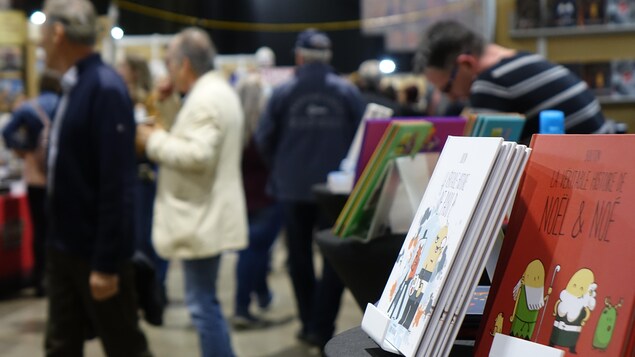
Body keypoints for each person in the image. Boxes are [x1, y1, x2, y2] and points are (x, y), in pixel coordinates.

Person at [40, 0, 151, 356]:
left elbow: (117, 183)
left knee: (124, 346)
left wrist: (105, 263)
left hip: (95, 252)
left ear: (58, 33)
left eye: (43, 29)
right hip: (65, 246)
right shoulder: (77, 85)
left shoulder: (103, 87)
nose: (39, 39)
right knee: (61, 344)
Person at [136, 27, 247, 357]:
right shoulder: (213, 92)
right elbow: (190, 135)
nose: (167, 71)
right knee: (205, 303)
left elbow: (197, 154)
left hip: (203, 214)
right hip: (206, 210)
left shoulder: (207, 97)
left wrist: (151, 141)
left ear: (184, 64)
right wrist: (169, 102)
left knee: (202, 307)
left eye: (169, 64)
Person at [255, 28, 365, 349]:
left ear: (299, 56)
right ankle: (322, 325)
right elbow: (364, 139)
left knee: (298, 256)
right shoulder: (346, 92)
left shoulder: (282, 92)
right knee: (333, 258)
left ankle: (307, 321)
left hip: (292, 187)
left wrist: (281, 166)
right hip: (335, 190)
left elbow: (263, 137)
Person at [415, 20, 608, 143]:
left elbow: (478, 171)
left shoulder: (491, 82)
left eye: (448, 87)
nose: (452, 98)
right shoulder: (526, 59)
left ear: (466, 64)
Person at [231, 46, 283, 329]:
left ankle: (260, 296)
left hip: (242, 199)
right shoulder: (264, 133)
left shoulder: (234, 131)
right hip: (265, 198)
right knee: (255, 253)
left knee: (251, 252)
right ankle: (243, 305)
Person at [117, 54, 168, 325]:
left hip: (145, 177)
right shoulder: (121, 95)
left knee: (146, 239)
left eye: (123, 67)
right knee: (137, 239)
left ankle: (154, 294)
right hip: (131, 177)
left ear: (134, 71)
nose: (119, 70)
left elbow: (157, 134)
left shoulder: (149, 100)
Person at [1, 70, 61, 297]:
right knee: (60, 228)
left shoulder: (29, 108)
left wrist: (24, 147)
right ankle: (58, 276)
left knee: (39, 229)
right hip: (60, 176)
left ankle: (40, 278)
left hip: (36, 176)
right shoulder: (63, 105)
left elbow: (7, 132)